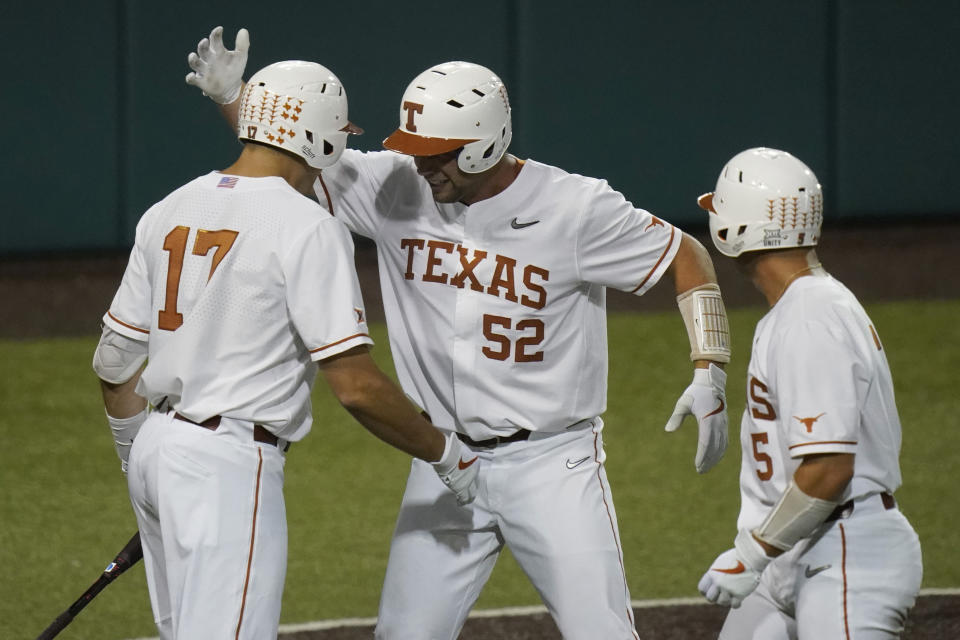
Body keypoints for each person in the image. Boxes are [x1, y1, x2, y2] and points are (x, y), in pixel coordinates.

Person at [186, 27, 732, 640]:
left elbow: (686, 254)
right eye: (416, 147)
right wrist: (235, 102)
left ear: (483, 145)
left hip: (553, 464)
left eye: (438, 151)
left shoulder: (577, 208)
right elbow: (287, 159)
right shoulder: (393, 185)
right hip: (444, 462)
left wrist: (709, 365)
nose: (422, 163)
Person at [93, 58, 479, 640]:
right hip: (228, 467)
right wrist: (446, 454)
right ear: (318, 136)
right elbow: (355, 387)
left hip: (156, 452)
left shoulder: (167, 209)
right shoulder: (308, 227)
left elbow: (113, 363)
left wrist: (136, 457)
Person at [695, 148, 923, 638]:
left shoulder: (810, 318)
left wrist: (751, 554)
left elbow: (830, 467)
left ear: (740, 228)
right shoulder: (801, 308)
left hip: (845, 554)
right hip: (793, 550)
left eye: (720, 209)